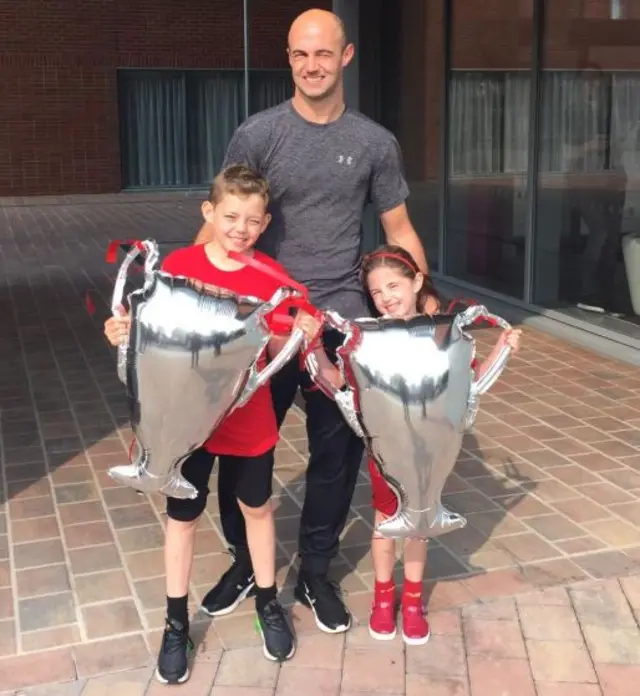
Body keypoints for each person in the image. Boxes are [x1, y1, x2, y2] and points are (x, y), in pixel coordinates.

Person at [194, 8, 430, 635]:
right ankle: (246, 561)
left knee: (338, 453)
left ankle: (317, 573)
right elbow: (222, 223)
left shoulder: (375, 142)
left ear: (346, 57)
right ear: (290, 58)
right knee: (243, 451)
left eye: (323, 54)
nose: (312, 65)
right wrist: (194, 296)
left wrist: (421, 302)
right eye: (300, 55)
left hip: (341, 321)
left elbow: (398, 228)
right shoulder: (259, 134)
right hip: (264, 323)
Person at [104, 165, 302, 683]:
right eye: (230, 216)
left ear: (265, 224)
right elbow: (151, 329)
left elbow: (282, 342)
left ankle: (266, 602)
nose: (240, 228)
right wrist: (123, 330)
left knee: (257, 508)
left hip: (247, 417)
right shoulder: (181, 265)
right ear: (209, 212)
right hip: (185, 421)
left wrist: (298, 333)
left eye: (252, 221)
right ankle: (174, 624)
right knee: (183, 519)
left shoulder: (273, 279)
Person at [296, 244, 522, 645]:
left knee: (418, 525)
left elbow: (471, 385)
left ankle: (413, 600)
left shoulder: (445, 335)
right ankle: (385, 597)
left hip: (432, 453)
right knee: (385, 524)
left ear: (417, 281)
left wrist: (503, 347)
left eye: (394, 285)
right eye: (377, 292)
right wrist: (313, 347)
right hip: (387, 453)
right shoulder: (364, 338)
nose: (386, 298)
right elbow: (338, 384)